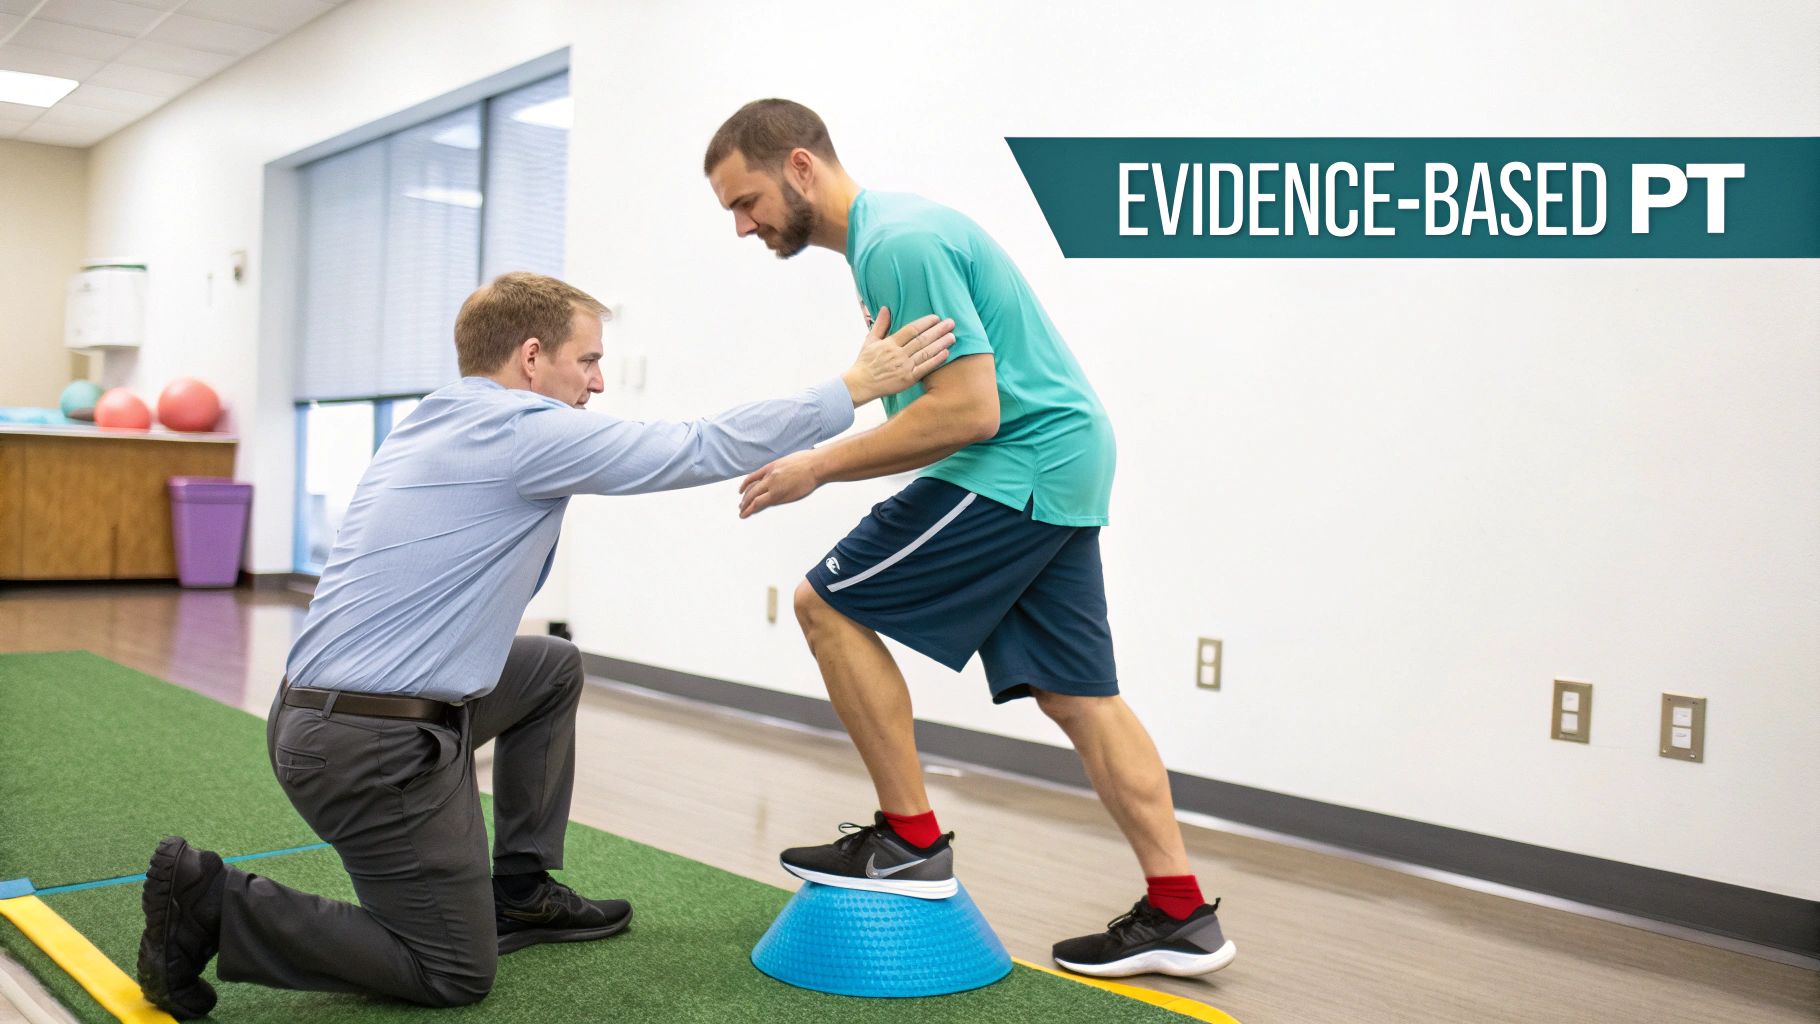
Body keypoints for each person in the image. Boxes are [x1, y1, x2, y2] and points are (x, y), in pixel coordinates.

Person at [134, 271, 955, 1018]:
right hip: (368, 749)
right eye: (587, 361)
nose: (597, 382)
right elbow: (694, 445)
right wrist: (853, 387)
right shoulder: (522, 431)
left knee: (549, 666)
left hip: (330, 718)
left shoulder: (440, 417)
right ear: (532, 358)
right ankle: (215, 904)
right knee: (451, 970)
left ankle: (520, 890)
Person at [703, 100, 1237, 979]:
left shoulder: (896, 245)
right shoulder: (888, 238)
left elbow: (969, 411)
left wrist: (818, 467)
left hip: (1016, 460)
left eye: (745, 201)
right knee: (1078, 695)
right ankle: (1181, 913)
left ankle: (910, 840)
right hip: (1058, 459)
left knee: (824, 604)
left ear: (799, 166)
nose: (742, 225)